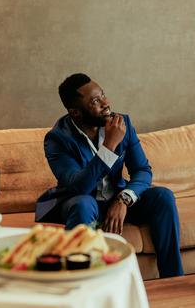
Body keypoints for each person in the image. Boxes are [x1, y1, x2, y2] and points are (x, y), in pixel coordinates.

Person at [35, 73, 184, 278]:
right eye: (96, 101)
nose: (106, 103)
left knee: (163, 197)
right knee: (84, 203)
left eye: (103, 95)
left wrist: (124, 199)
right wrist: (109, 145)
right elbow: (79, 186)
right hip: (80, 203)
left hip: (115, 199)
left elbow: (142, 170)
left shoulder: (122, 123)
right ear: (75, 112)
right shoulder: (57, 139)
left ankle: (174, 280)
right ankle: (78, 280)